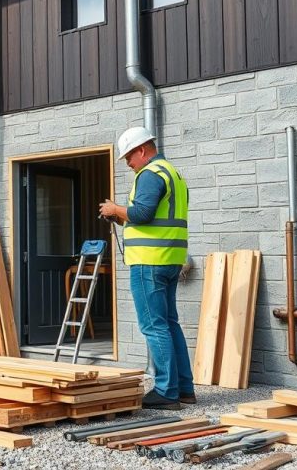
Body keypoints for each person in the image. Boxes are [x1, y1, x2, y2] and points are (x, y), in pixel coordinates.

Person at [99, 127, 193, 411]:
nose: (127, 163)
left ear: (142, 150)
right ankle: (184, 388)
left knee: (154, 325)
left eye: (129, 157)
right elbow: (150, 218)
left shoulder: (150, 174)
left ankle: (166, 391)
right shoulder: (172, 173)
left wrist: (115, 209)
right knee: (169, 323)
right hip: (169, 258)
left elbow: (142, 213)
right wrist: (120, 218)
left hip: (149, 261)